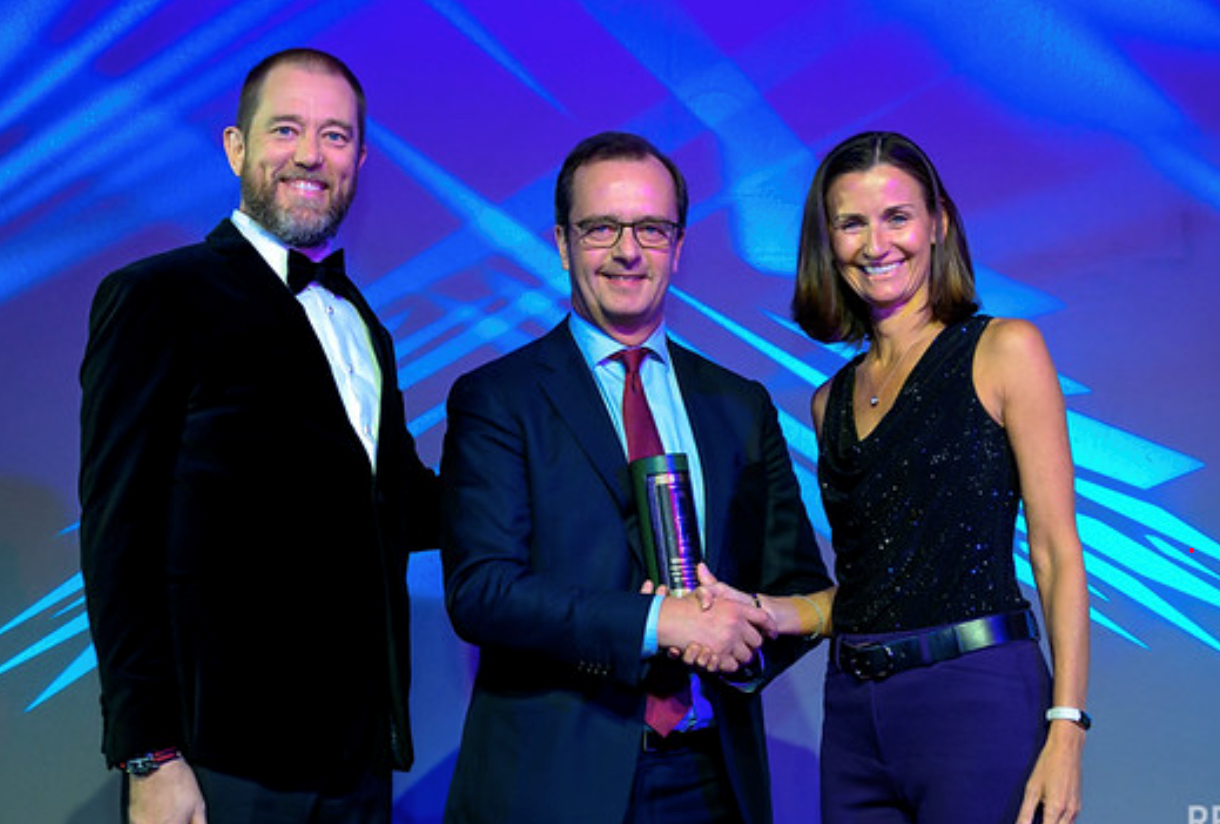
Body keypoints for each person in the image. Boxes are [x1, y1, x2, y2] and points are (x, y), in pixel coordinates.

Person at [79, 48, 439, 824]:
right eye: (285, 130)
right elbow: (119, 541)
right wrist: (150, 754)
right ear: (236, 147)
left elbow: (402, 505)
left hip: (357, 764)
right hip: (219, 766)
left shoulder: (362, 324)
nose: (310, 155)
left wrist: (553, 475)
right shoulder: (157, 297)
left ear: (360, 159)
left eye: (336, 136)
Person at [439, 131, 835, 824]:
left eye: (652, 228)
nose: (628, 250)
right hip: (553, 785)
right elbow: (483, 592)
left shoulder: (738, 403)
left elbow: (795, 589)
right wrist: (661, 621)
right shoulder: (497, 398)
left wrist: (735, 645)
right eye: (602, 228)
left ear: (679, 247)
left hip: (711, 780)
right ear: (562, 244)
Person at [697, 130, 1090, 824]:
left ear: (938, 223)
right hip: (853, 709)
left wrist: (1066, 727)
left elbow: (1057, 554)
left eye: (897, 217)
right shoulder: (829, 401)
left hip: (976, 696)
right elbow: (876, 584)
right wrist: (765, 609)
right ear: (829, 240)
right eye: (852, 222)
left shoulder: (1005, 350)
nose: (876, 244)